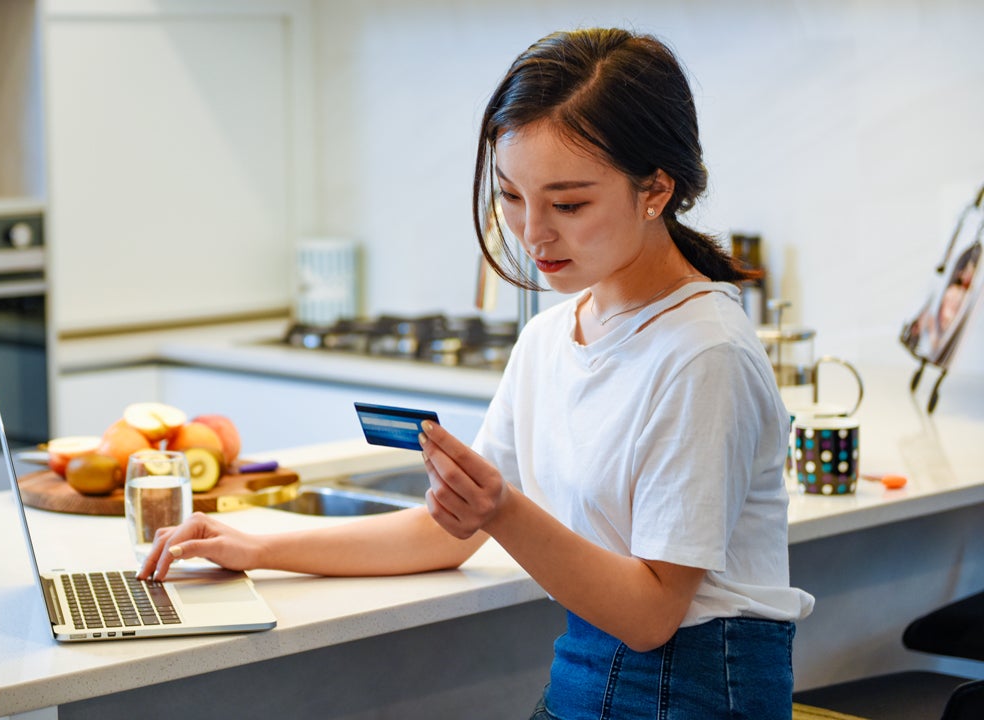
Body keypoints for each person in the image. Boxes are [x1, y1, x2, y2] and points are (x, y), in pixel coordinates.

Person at [140, 27, 814, 719]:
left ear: (655, 190)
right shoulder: (553, 336)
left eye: (569, 203)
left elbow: (649, 615)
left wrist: (501, 509)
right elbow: (446, 532)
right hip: (590, 679)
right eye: (512, 196)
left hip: (698, 691)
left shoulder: (704, 353)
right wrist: (258, 546)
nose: (532, 233)